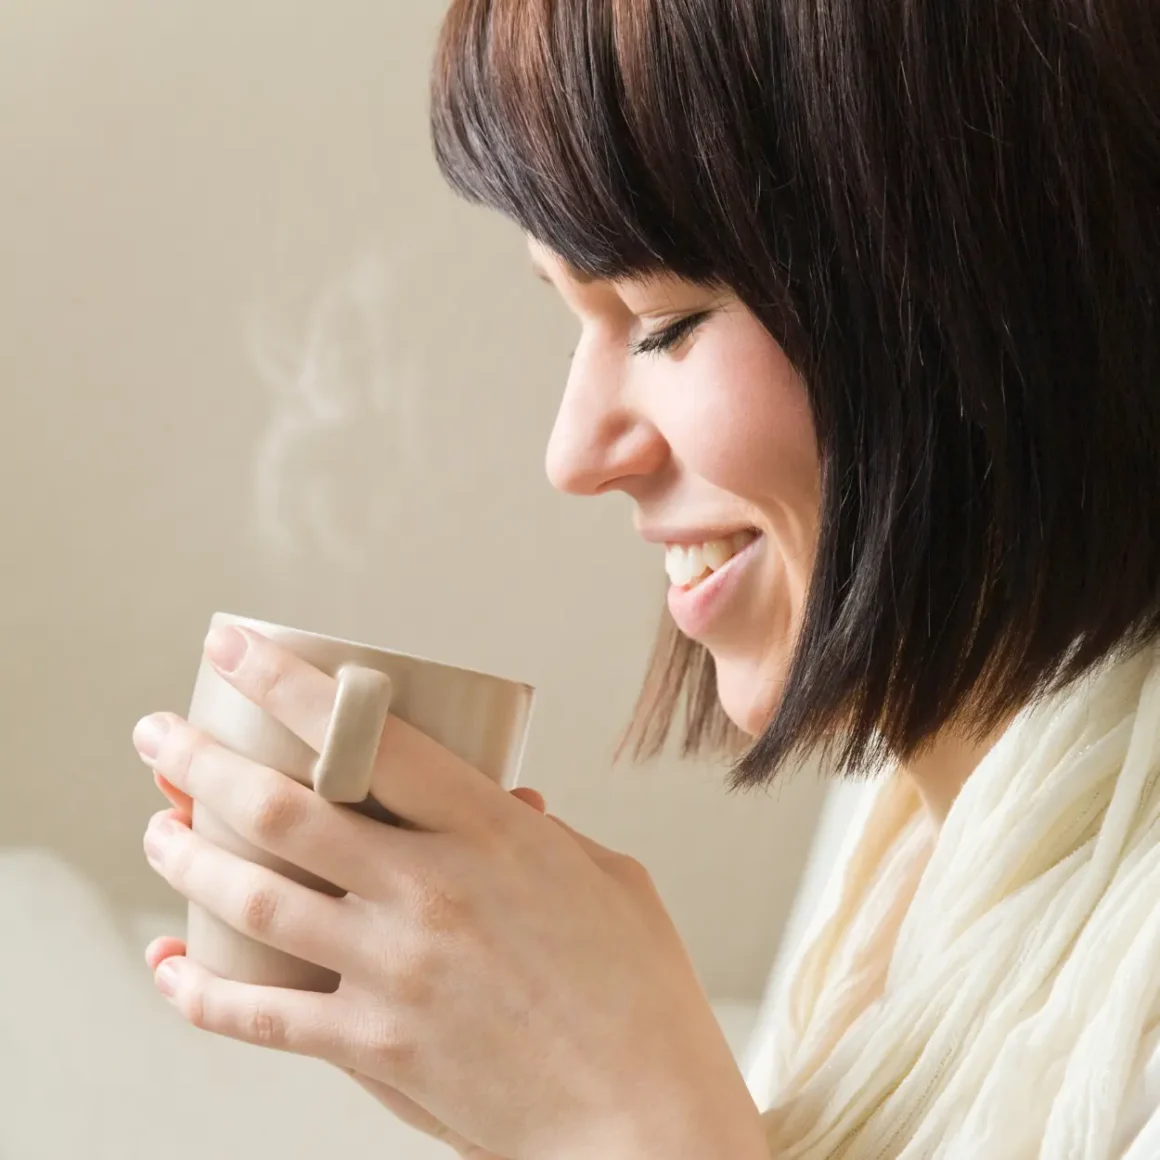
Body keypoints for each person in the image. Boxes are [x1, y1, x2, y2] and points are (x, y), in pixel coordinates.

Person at [133, 0, 1160, 1156]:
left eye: (662, 321)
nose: (572, 454)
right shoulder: (894, 861)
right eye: (573, 313)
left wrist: (625, 1121)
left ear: (981, 290)